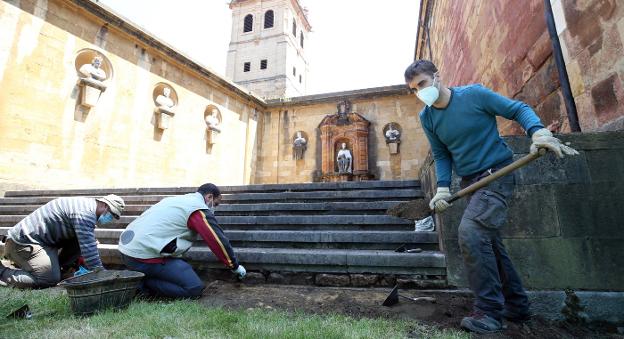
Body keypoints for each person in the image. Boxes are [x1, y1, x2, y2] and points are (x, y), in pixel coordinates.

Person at [404, 60, 578, 334]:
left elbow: (517, 108)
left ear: (437, 77)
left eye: (422, 84)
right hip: (472, 183)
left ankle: (488, 313)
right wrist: (443, 188)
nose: (420, 92)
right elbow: (441, 154)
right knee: (490, 244)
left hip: (497, 175)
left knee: (471, 234)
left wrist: (538, 131)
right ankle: (516, 306)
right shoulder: (427, 117)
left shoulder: (474, 95)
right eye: (414, 89)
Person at [118, 183, 246, 299]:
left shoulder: (176, 200)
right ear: (209, 197)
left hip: (127, 251)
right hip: (144, 257)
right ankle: (141, 284)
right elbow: (217, 241)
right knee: (193, 288)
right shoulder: (198, 209)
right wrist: (234, 266)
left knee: (181, 267)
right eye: (216, 204)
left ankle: (141, 276)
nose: (214, 209)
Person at [0, 194, 125, 288]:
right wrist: (102, 275)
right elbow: (90, 252)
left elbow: (86, 241)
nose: (110, 218)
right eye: (111, 214)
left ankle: (61, 269)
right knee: (48, 279)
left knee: (82, 239)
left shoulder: (86, 206)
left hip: (42, 242)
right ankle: (3, 272)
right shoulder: (85, 214)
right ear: (104, 205)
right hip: (22, 244)